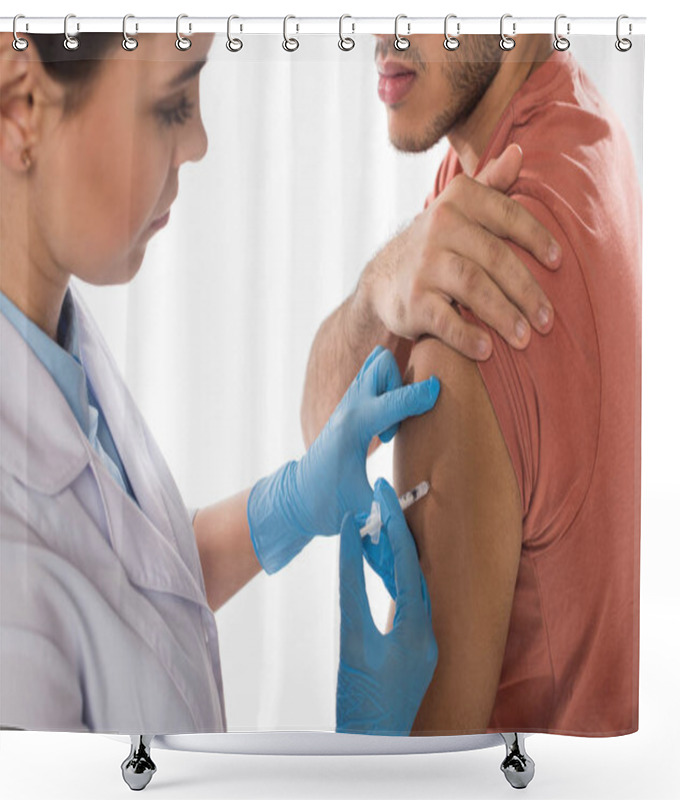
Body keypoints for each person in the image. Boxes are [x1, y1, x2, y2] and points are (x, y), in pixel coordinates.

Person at [0, 30, 561, 737]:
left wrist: (291, 502)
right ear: (21, 106)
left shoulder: (51, 339)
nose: (201, 140)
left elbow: (135, 585)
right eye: (174, 104)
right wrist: (365, 761)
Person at [301, 34, 641, 736]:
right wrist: (376, 290)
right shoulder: (567, 127)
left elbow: (423, 778)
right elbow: (321, 431)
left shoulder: (481, 313)